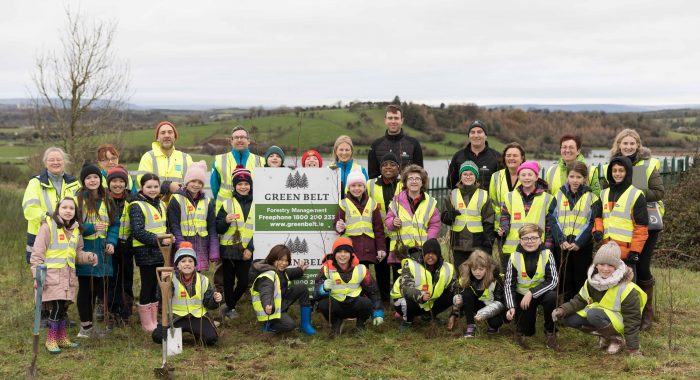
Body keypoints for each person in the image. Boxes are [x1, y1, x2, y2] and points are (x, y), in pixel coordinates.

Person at [607, 128, 663, 330]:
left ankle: (646, 312)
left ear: (638, 145)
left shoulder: (648, 165)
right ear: (619, 145)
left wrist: (634, 192)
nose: (629, 147)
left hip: (646, 224)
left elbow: (658, 192)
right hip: (620, 225)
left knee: (642, 266)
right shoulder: (613, 165)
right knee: (622, 267)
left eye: (632, 143)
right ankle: (626, 310)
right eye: (625, 143)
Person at [553, 242, 646, 355]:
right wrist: (563, 310)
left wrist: (633, 349)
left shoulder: (626, 288)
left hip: (620, 322)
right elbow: (580, 300)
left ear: (616, 267)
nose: (605, 269)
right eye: (601, 264)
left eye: (610, 265)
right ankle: (606, 336)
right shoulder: (592, 281)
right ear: (596, 265)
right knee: (568, 319)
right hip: (599, 316)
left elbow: (632, 319)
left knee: (593, 314)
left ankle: (617, 339)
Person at [30, 197, 98, 353]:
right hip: (51, 277)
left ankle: (61, 338)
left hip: (67, 276)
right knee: (58, 306)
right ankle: (51, 340)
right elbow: (37, 255)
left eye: (71, 208)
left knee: (63, 308)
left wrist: (88, 256)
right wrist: (37, 277)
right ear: (58, 209)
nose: (68, 211)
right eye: (64, 207)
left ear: (75, 212)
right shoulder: (47, 227)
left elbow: (76, 253)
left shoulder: (75, 230)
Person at [75, 163, 118, 338]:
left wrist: (112, 241)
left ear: (100, 180)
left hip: (104, 251)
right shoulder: (78, 199)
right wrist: (91, 227)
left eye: (95, 177)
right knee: (86, 289)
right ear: (83, 181)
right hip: (86, 250)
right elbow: (73, 225)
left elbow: (114, 224)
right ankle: (85, 328)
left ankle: (96, 325)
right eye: (88, 178)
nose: (92, 180)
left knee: (100, 288)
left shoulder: (108, 199)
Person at [151, 242, 222, 346]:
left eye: (190, 261)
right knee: (157, 336)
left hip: (197, 317)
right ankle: (178, 338)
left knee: (211, 339)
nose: (187, 264)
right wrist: (163, 284)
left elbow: (208, 304)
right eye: (183, 261)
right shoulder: (169, 278)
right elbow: (161, 299)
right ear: (178, 265)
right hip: (176, 317)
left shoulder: (203, 280)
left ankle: (197, 334)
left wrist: (215, 300)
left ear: (195, 264)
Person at [550, 161, 602, 301]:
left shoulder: (593, 198)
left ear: (585, 179)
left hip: (582, 246)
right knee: (564, 278)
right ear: (567, 177)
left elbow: (592, 222)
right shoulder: (558, 195)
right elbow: (553, 219)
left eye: (579, 177)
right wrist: (561, 239)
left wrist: (579, 242)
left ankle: (579, 307)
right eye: (572, 176)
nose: (575, 180)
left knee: (580, 278)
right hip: (562, 245)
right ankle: (563, 309)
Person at [314, 237, 384, 335]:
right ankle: (336, 323)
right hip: (336, 305)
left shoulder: (361, 269)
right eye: (339, 252)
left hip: (355, 304)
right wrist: (323, 288)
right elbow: (315, 293)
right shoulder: (326, 269)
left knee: (366, 303)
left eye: (346, 251)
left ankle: (360, 325)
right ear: (334, 254)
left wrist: (378, 312)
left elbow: (373, 292)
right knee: (323, 304)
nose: (342, 255)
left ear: (351, 254)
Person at [504, 224, 559, 349]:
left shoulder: (547, 254)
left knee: (552, 296)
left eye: (534, 238)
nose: (530, 241)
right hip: (522, 298)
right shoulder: (513, 257)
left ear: (540, 240)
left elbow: (553, 281)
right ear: (520, 240)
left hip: (540, 294)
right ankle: (528, 317)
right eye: (526, 238)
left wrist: (531, 292)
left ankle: (550, 331)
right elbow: (508, 285)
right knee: (527, 332)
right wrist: (511, 306)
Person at [23, 147, 81, 263]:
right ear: (45, 162)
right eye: (51, 160)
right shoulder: (35, 183)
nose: (55, 162)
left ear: (64, 161)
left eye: (59, 159)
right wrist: (51, 220)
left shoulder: (74, 183)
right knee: (41, 276)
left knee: (65, 274)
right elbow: (30, 209)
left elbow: (79, 209)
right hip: (41, 235)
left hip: (67, 236)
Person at [594, 156, 648, 281]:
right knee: (607, 287)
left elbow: (641, 228)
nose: (617, 174)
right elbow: (598, 217)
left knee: (627, 289)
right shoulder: (604, 193)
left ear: (627, 172)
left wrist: (635, 251)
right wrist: (597, 231)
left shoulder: (636, 195)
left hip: (627, 254)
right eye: (614, 170)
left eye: (621, 170)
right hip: (607, 252)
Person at [130, 173, 171, 332]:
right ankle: (147, 323)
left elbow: (164, 226)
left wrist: (167, 237)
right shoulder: (136, 205)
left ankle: (154, 320)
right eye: (149, 187)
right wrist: (159, 240)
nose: (153, 190)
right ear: (142, 187)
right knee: (147, 285)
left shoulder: (161, 204)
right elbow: (138, 231)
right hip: (145, 252)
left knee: (156, 286)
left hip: (161, 251)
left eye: (155, 186)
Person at [497, 161, 556, 270]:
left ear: (536, 177)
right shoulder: (509, 197)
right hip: (512, 248)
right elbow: (505, 216)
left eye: (530, 174)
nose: (526, 178)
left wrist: (547, 248)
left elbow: (549, 226)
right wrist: (504, 229)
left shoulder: (548, 198)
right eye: (523, 175)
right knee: (512, 281)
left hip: (537, 248)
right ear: (518, 177)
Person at [249, 244, 315, 335]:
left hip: (280, 303)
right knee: (289, 325)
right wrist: (267, 305)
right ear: (273, 259)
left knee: (302, 287)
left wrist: (299, 270)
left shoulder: (280, 271)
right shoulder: (267, 275)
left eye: (286, 260)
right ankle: (269, 326)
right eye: (280, 260)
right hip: (270, 309)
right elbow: (266, 292)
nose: (284, 263)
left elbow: (290, 273)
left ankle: (305, 325)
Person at [215, 166, 254, 319]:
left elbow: (257, 229)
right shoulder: (226, 204)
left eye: (246, 184)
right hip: (228, 249)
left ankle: (230, 303)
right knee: (229, 281)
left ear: (250, 185)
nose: (243, 187)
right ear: (234, 186)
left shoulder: (256, 204)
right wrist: (225, 220)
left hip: (246, 250)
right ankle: (231, 308)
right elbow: (218, 227)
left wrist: (250, 248)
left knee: (244, 282)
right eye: (239, 184)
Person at [391, 238, 455, 330]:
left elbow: (453, 284)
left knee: (453, 294)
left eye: (433, 253)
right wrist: (420, 295)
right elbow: (405, 288)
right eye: (427, 253)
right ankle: (407, 321)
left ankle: (429, 316)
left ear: (438, 254)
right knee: (406, 303)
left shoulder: (446, 267)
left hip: (429, 301)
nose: (430, 256)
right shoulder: (410, 264)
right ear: (423, 253)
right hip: (406, 299)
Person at [441, 160, 495, 270]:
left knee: (477, 274)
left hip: (477, 244)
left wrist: (488, 243)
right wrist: (449, 216)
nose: (468, 176)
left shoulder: (483, 196)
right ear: (460, 176)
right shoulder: (452, 194)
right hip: (457, 244)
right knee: (461, 275)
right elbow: (444, 217)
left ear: (476, 177)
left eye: (471, 174)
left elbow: (489, 221)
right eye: (465, 174)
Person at [168, 161, 219, 273]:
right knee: (182, 275)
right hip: (183, 244)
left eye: (200, 182)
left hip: (201, 246)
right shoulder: (176, 199)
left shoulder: (208, 201)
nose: (196, 185)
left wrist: (214, 251)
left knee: (197, 278)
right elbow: (174, 226)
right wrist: (182, 245)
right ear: (186, 182)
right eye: (193, 181)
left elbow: (212, 228)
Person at [334, 170, 386, 276]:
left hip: (368, 247)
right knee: (351, 275)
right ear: (349, 187)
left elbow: (378, 229)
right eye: (353, 186)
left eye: (359, 185)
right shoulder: (344, 203)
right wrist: (339, 227)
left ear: (364, 187)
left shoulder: (372, 203)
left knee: (364, 275)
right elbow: (337, 224)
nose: (356, 188)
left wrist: (381, 248)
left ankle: (366, 293)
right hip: (351, 247)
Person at [385, 165, 440, 263]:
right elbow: (388, 220)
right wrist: (393, 222)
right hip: (400, 250)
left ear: (422, 182)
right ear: (405, 182)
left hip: (421, 250)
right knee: (400, 278)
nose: (414, 181)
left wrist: (429, 241)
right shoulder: (396, 201)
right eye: (410, 178)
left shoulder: (430, 203)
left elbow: (434, 225)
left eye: (417, 179)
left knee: (420, 277)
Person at [366, 153, 403, 301]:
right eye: (385, 164)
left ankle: (398, 296)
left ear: (398, 168)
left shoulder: (404, 184)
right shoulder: (370, 184)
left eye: (392, 164)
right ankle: (384, 298)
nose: (388, 167)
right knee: (381, 267)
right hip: (379, 234)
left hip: (399, 233)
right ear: (380, 168)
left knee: (398, 266)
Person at [105, 165, 136, 325]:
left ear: (125, 183)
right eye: (114, 181)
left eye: (121, 181)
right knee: (111, 280)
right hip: (109, 248)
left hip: (127, 247)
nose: (117, 184)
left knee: (126, 279)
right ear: (109, 183)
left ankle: (125, 312)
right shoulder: (103, 199)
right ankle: (111, 311)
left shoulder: (132, 199)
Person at [451, 250, 505, 337]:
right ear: (470, 268)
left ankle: (492, 325)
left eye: (481, 269)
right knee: (466, 293)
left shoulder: (495, 279)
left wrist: (484, 313)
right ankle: (470, 325)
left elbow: (500, 302)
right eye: (474, 269)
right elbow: (456, 290)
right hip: (473, 305)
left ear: (487, 268)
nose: (477, 272)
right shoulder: (466, 277)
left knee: (496, 322)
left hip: (490, 306)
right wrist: (457, 298)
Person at [136, 121, 194, 197]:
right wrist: (168, 186)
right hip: (156, 206)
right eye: (163, 133)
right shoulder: (148, 157)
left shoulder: (186, 158)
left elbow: (194, 184)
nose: (167, 135)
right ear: (157, 138)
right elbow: (142, 182)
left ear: (175, 137)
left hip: (180, 206)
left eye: (170, 132)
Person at [367, 104, 423, 179]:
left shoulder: (414, 144)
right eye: (390, 118)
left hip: (406, 190)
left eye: (396, 118)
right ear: (385, 120)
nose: (393, 121)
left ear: (402, 120)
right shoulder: (375, 145)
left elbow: (419, 174)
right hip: (382, 190)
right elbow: (372, 177)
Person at [211, 126, 266, 200]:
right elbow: (214, 187)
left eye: (242, 137)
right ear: (231, 141)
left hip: (253, 209)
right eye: (236, 137)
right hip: (226, 209)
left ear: (248, 140)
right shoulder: (219, 160)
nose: (239, 140)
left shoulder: (261, 161)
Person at [489, 142, 525, 252]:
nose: (511, 158)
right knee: (505, 265)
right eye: (508, 155)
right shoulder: (496, 177)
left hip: (524, 230)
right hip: (502, 230)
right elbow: (492, 203)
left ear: (522, 158)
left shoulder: (528, 176)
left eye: (515, 155)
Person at [447, 120, 501, 190]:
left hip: (488, 200)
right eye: (472, 132)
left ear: (486, 135)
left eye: (479, 132)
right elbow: (450, 184)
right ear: (469, 136)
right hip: (463, 201)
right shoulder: (458, 156)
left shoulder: (496, 157)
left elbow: (501, 184)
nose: (476, 135)